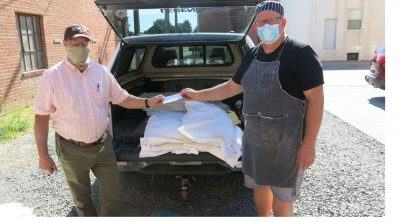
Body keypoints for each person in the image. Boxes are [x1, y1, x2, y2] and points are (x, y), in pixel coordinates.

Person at [180, 0, 324, 217]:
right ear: (255, 26)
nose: (266, 25)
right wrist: (198, 95)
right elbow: (231, 87)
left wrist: (309, 143)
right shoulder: (252, 54)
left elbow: (317, 100)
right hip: (255, 141)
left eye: (271, 21)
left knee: (283, 197)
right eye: (261, 22)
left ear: (283, 22)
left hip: (287, 146)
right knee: (259, 186)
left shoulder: (301, 53)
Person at [34, 24, 164, 216]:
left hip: (103, 146)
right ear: (65, 43)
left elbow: (123, 98)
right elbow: (41, 117)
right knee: (82, 198)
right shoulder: (52, 76)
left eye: (85, 42)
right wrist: (43, 156)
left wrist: (147, 102)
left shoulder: (101, 72)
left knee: (112, 195)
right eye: (76, 42)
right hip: (71, 150)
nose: (81, 46)